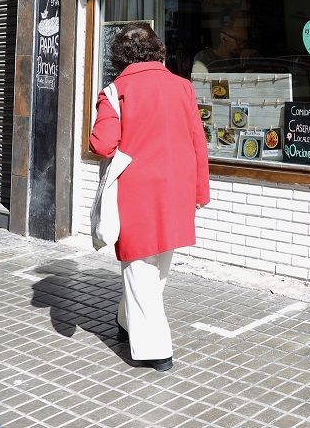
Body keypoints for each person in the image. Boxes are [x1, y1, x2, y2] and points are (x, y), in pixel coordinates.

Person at [89, 22, 209, 372]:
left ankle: (157, 350)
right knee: (156, 268)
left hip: (136, 190)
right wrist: (200, 191)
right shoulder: (183, 87)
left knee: (140, 267)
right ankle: (127, 321)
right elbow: (197, 143)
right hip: (177, 188)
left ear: (120, 56)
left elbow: (102, 144)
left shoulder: (115, 92)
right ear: (157, 50)